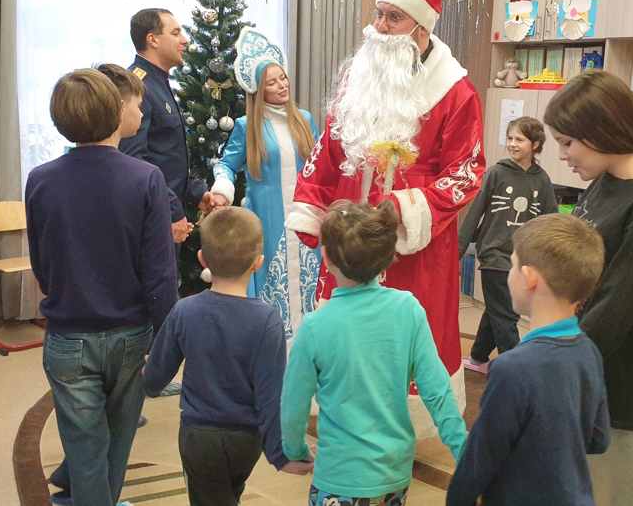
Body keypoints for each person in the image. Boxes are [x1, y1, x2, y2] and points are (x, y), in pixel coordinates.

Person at [287, 0, 485, 433]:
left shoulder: (456, 93)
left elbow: (466, 172)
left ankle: (399, 427)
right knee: (344, 335)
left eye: (392, 17)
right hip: (349, 232)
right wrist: (313, 205)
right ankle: (343, 412)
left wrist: (405, 206)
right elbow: (331, 147)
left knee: (404, 336)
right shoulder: (357, 76)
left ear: (420, 27)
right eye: (378, 13)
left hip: (414, 246)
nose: (378, 26)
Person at [26, 68, 174, 506]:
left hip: (68, 335)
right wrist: (168, 340)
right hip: (131, 335)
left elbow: (42, 260)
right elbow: (160, 274)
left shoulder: (40, 178)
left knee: (86, 449)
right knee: (116, 442)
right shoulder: (145, 178)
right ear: (116, 111)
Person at [543, 70, 633, 506]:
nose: (565, 156)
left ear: (600, 129)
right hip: (587, 370)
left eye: (568, 143)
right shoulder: (605, 182)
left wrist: (551, 364)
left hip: (622, 388)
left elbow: (616, 306)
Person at [281, 200, 468, 506]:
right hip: (394, 475)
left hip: (337, 477)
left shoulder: (315, 326)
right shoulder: (408, 309)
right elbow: (437, 391)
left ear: (325, 256)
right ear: (387, 259)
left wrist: (295, 451)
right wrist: (464, 451)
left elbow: (293, 403)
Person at [143, 207, 313, 505]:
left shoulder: (185, 310)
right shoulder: (267, 319)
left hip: (199, 437)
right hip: (246, 441)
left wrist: (148, 373)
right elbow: (272, 395)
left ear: (202, 260)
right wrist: (278, 454)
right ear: (258, 263)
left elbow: (155, 380)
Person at [447, 213, 609, 506]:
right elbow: (598, 439)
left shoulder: (512, 368)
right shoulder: (590, 351)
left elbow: (479, 461)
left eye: (511, 265)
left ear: (529, 277)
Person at [123, 7, 215, 398]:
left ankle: (147, 378)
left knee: (161, 292)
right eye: (176, 32)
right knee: (147, 297)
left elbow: (169, 159)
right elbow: (137, 159)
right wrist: (173, 212)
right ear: (152, 39)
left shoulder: (161, 83)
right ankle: (129, 390)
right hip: (151, 213)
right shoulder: (137, 85)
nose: (185, 40)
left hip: (167, 205)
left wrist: (198, 192)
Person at [209, 27, 320, 342]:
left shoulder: (305, 120)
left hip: (305, 218)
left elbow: (317, 168)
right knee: (273, 281)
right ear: (259, 89)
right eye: (272, 82)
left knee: (310, 279)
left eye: (282, 78)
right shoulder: (247, 127)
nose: (281, 85)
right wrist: (222, 188)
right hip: (268, 221)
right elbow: (226, 165)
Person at [458, 116, 558, 373]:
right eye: (510, 139)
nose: (512, 144)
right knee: (507, 315)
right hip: (494, 255)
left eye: (519, 140)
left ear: (535, 144)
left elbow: (551, 220)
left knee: (497, 310)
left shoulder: (542, 179)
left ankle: (479, 357)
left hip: (524, 258)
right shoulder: (496, 172)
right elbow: (475, 212)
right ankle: (516, 371)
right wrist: (457, 251)